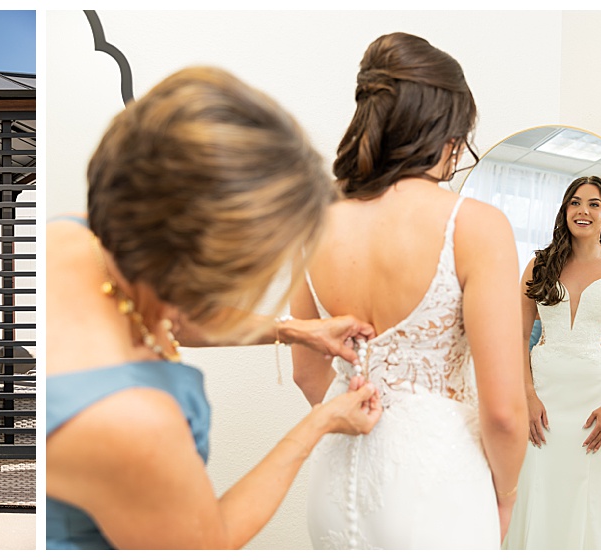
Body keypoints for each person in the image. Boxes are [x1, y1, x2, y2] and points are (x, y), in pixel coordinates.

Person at [46, 67, 385, 550]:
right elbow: (210, 542)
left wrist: (295, 330)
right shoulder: (132, 423)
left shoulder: (76, 236)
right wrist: (320, 422)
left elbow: (157, 321)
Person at [293, 32, 528, 549]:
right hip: (438, 486)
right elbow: (505, 412)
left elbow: (308, 372)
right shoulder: (474, 226)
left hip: (336, 483)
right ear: (444, 129)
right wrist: (505, 495)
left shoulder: (312, 222)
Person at [505, 176, 601, 549]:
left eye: (594, 204)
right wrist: (528, 396)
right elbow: (517, 337)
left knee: (593, 491)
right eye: (575, 203)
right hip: (545, 397)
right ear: (565, 210)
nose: (583, 211)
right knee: (539, 483)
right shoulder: (539, 264)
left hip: (598, 398)